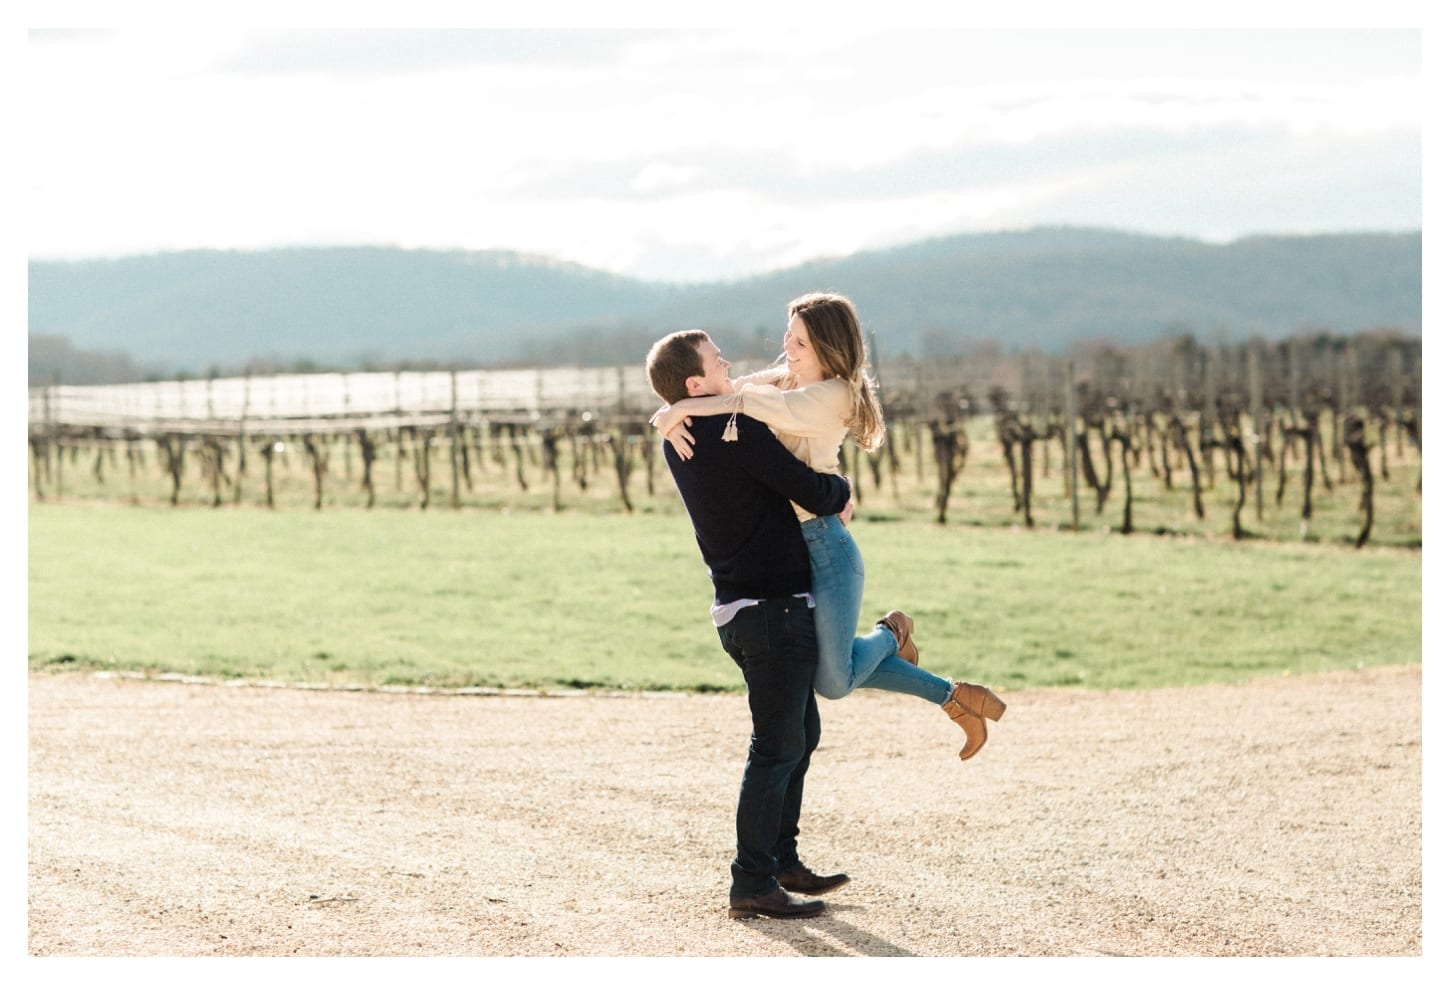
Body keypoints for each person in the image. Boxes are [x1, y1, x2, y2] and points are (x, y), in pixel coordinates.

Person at [650, 292, 1005, 761]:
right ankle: (958, 699)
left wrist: (676, 411)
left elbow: (740, 401)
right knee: (827, 669)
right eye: (789, 335)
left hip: (826, 543)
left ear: (826, 347)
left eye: (799, 340)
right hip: (794, 548)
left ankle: (892, 634)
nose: (787, 345)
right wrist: (671, 411)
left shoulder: (833, 393)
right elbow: (725, 391)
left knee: (834, 681)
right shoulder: (788, 378)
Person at [646, 329, 852, 920]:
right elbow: (809, 489)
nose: (728, 364)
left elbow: (741, 394)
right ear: (695, 382)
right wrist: (843, 488)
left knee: (799, 736)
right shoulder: (731, 432)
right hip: (773, 610)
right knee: (778, 746)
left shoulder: (684, 432)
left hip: (744, 610)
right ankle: (752, 882)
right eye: (717, 361)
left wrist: (674, 410)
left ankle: (781, 861)